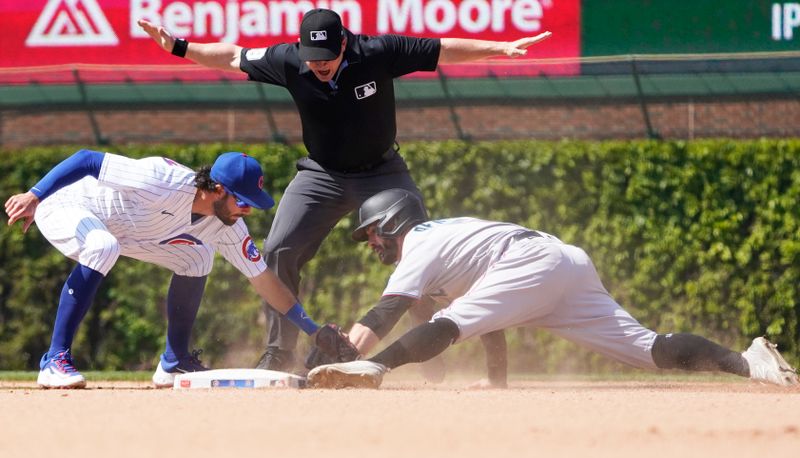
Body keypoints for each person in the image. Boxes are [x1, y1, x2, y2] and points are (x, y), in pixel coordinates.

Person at [137, 9, 551, 372]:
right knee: (279, 248)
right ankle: (279, 352)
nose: (319, 66)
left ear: (345, 45)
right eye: (311, 57)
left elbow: (442, 49)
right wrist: (178, 46)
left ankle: (428, 353)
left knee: (424, 253)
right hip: (321, 175)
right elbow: (231, 56)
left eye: (328, 57)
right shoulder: (289, 60)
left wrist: (501, 48)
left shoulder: (376, 52)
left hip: (383, 173)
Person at [306, 189, 800, 389]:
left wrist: (356, 355)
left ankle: (370, 371)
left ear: (393, 223)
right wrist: (498, 382)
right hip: (562, 262)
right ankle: (751, 362)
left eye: (371, 232)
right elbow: (488, 320)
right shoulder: (444, 244)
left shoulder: (420, 243)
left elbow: (386, 310)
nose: (370, 242)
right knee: (651, 350)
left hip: (530, 262)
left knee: (446, 325)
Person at [4, 150, 323, 389]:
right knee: (103, 246)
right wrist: (34, 195)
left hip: (123, 231)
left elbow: (265, 280)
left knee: (197, 257)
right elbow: (87, 159)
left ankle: (174, 361)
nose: (247, 211)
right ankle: (54, 360)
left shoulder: (227, 226)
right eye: (242, 201)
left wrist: (315, 331)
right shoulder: (162, 179)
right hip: (67, 205)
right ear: (217, 189)